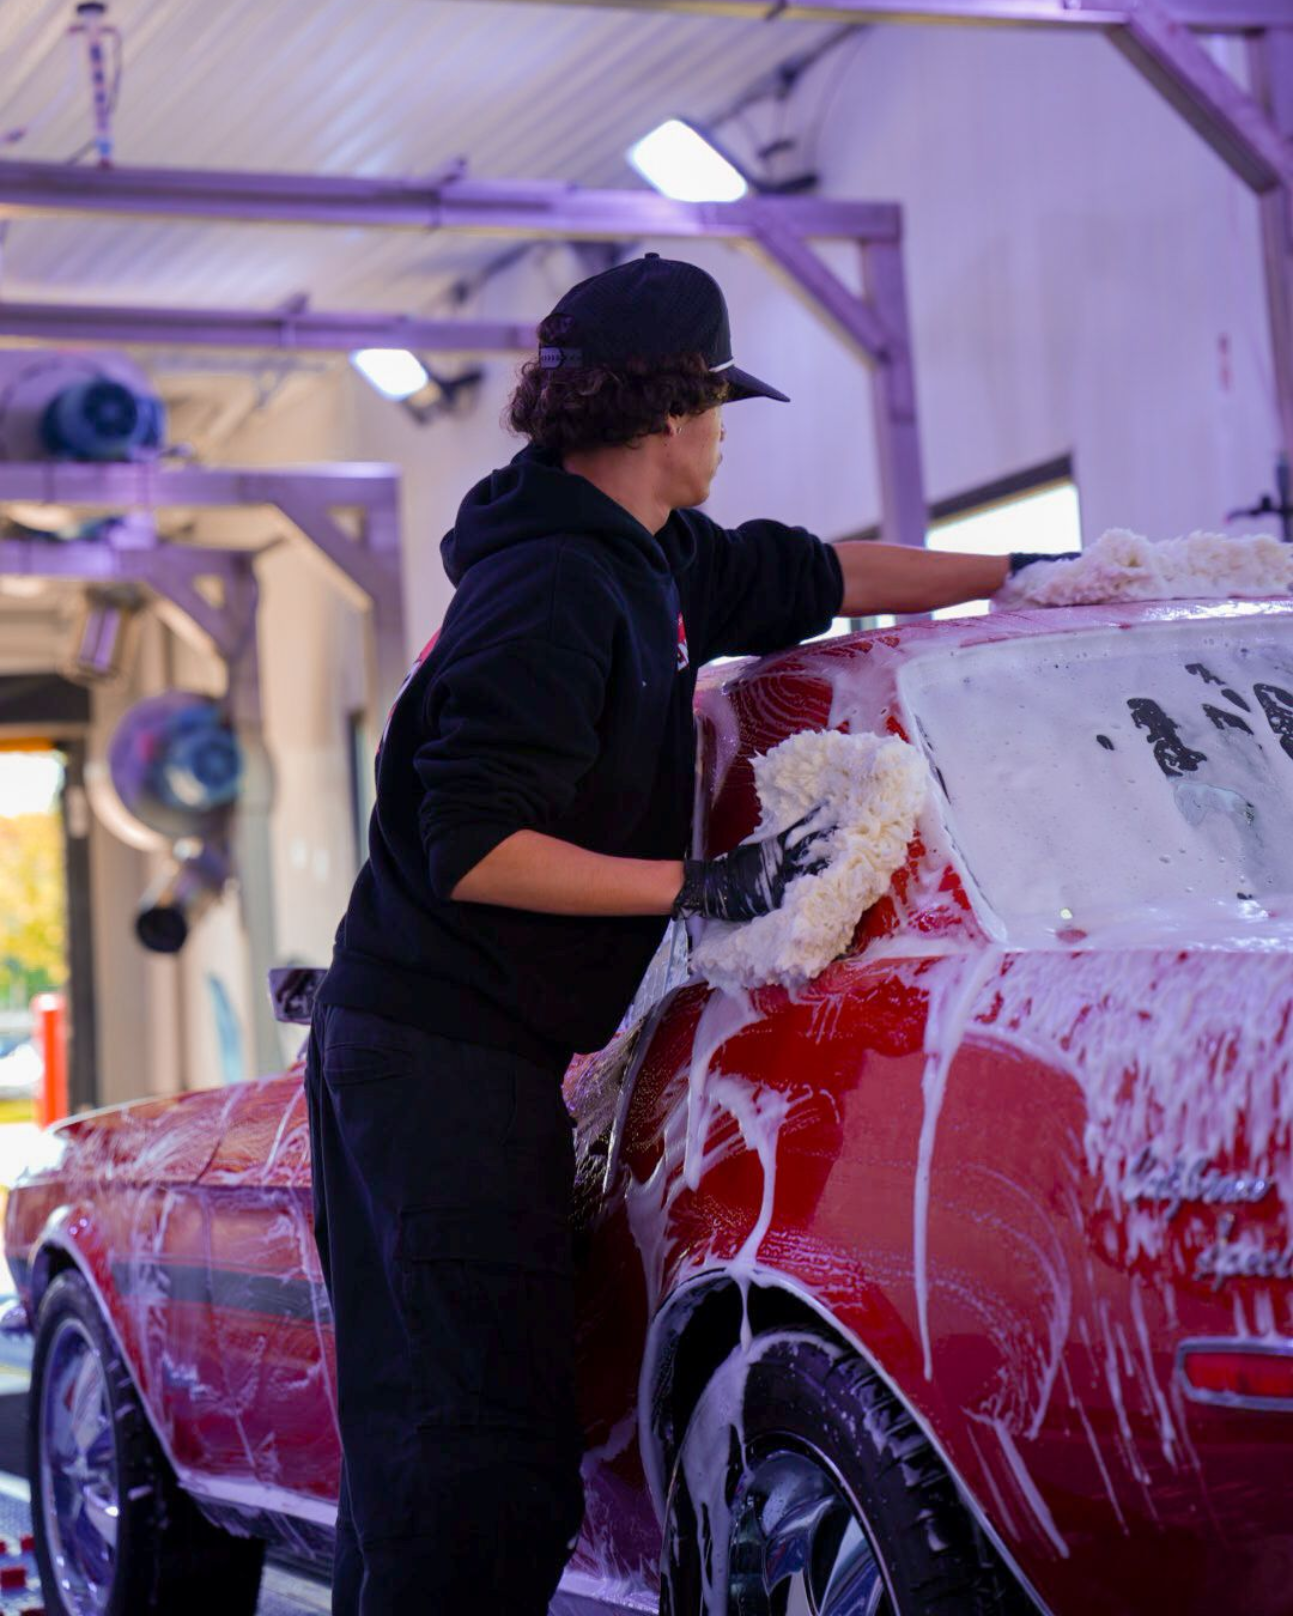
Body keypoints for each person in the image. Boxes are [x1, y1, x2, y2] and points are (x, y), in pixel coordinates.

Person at [305, 253, 1027, 1614]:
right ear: (669, 413)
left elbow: (824, 572)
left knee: (458, 1459)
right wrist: (705, 890)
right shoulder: (554, 599)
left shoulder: (651, 556)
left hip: (470, 1058)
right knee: (472, 1465)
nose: (724, 433)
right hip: (433, 1064)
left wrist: (1042, 571)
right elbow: (477, 848)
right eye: (717, 405)